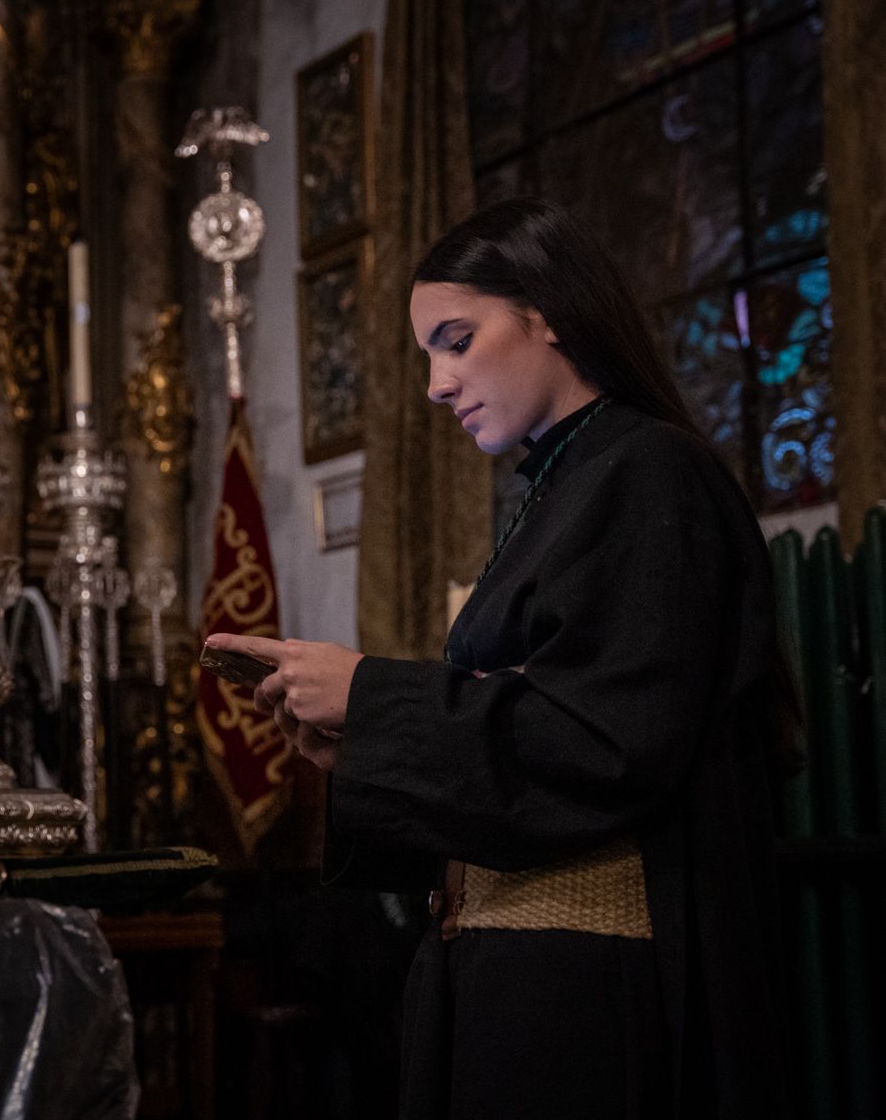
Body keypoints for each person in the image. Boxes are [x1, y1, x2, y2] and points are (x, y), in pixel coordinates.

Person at [208, 197, 789, 1119]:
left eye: (455, 341)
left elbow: (604, 742)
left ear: (545, 313)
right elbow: (529, 735)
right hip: (516, 969)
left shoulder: (648, 471)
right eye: (426, 355)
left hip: (587, 990)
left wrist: (372, 695)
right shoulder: (564, 482)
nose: (435, 385)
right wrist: (360, 749)